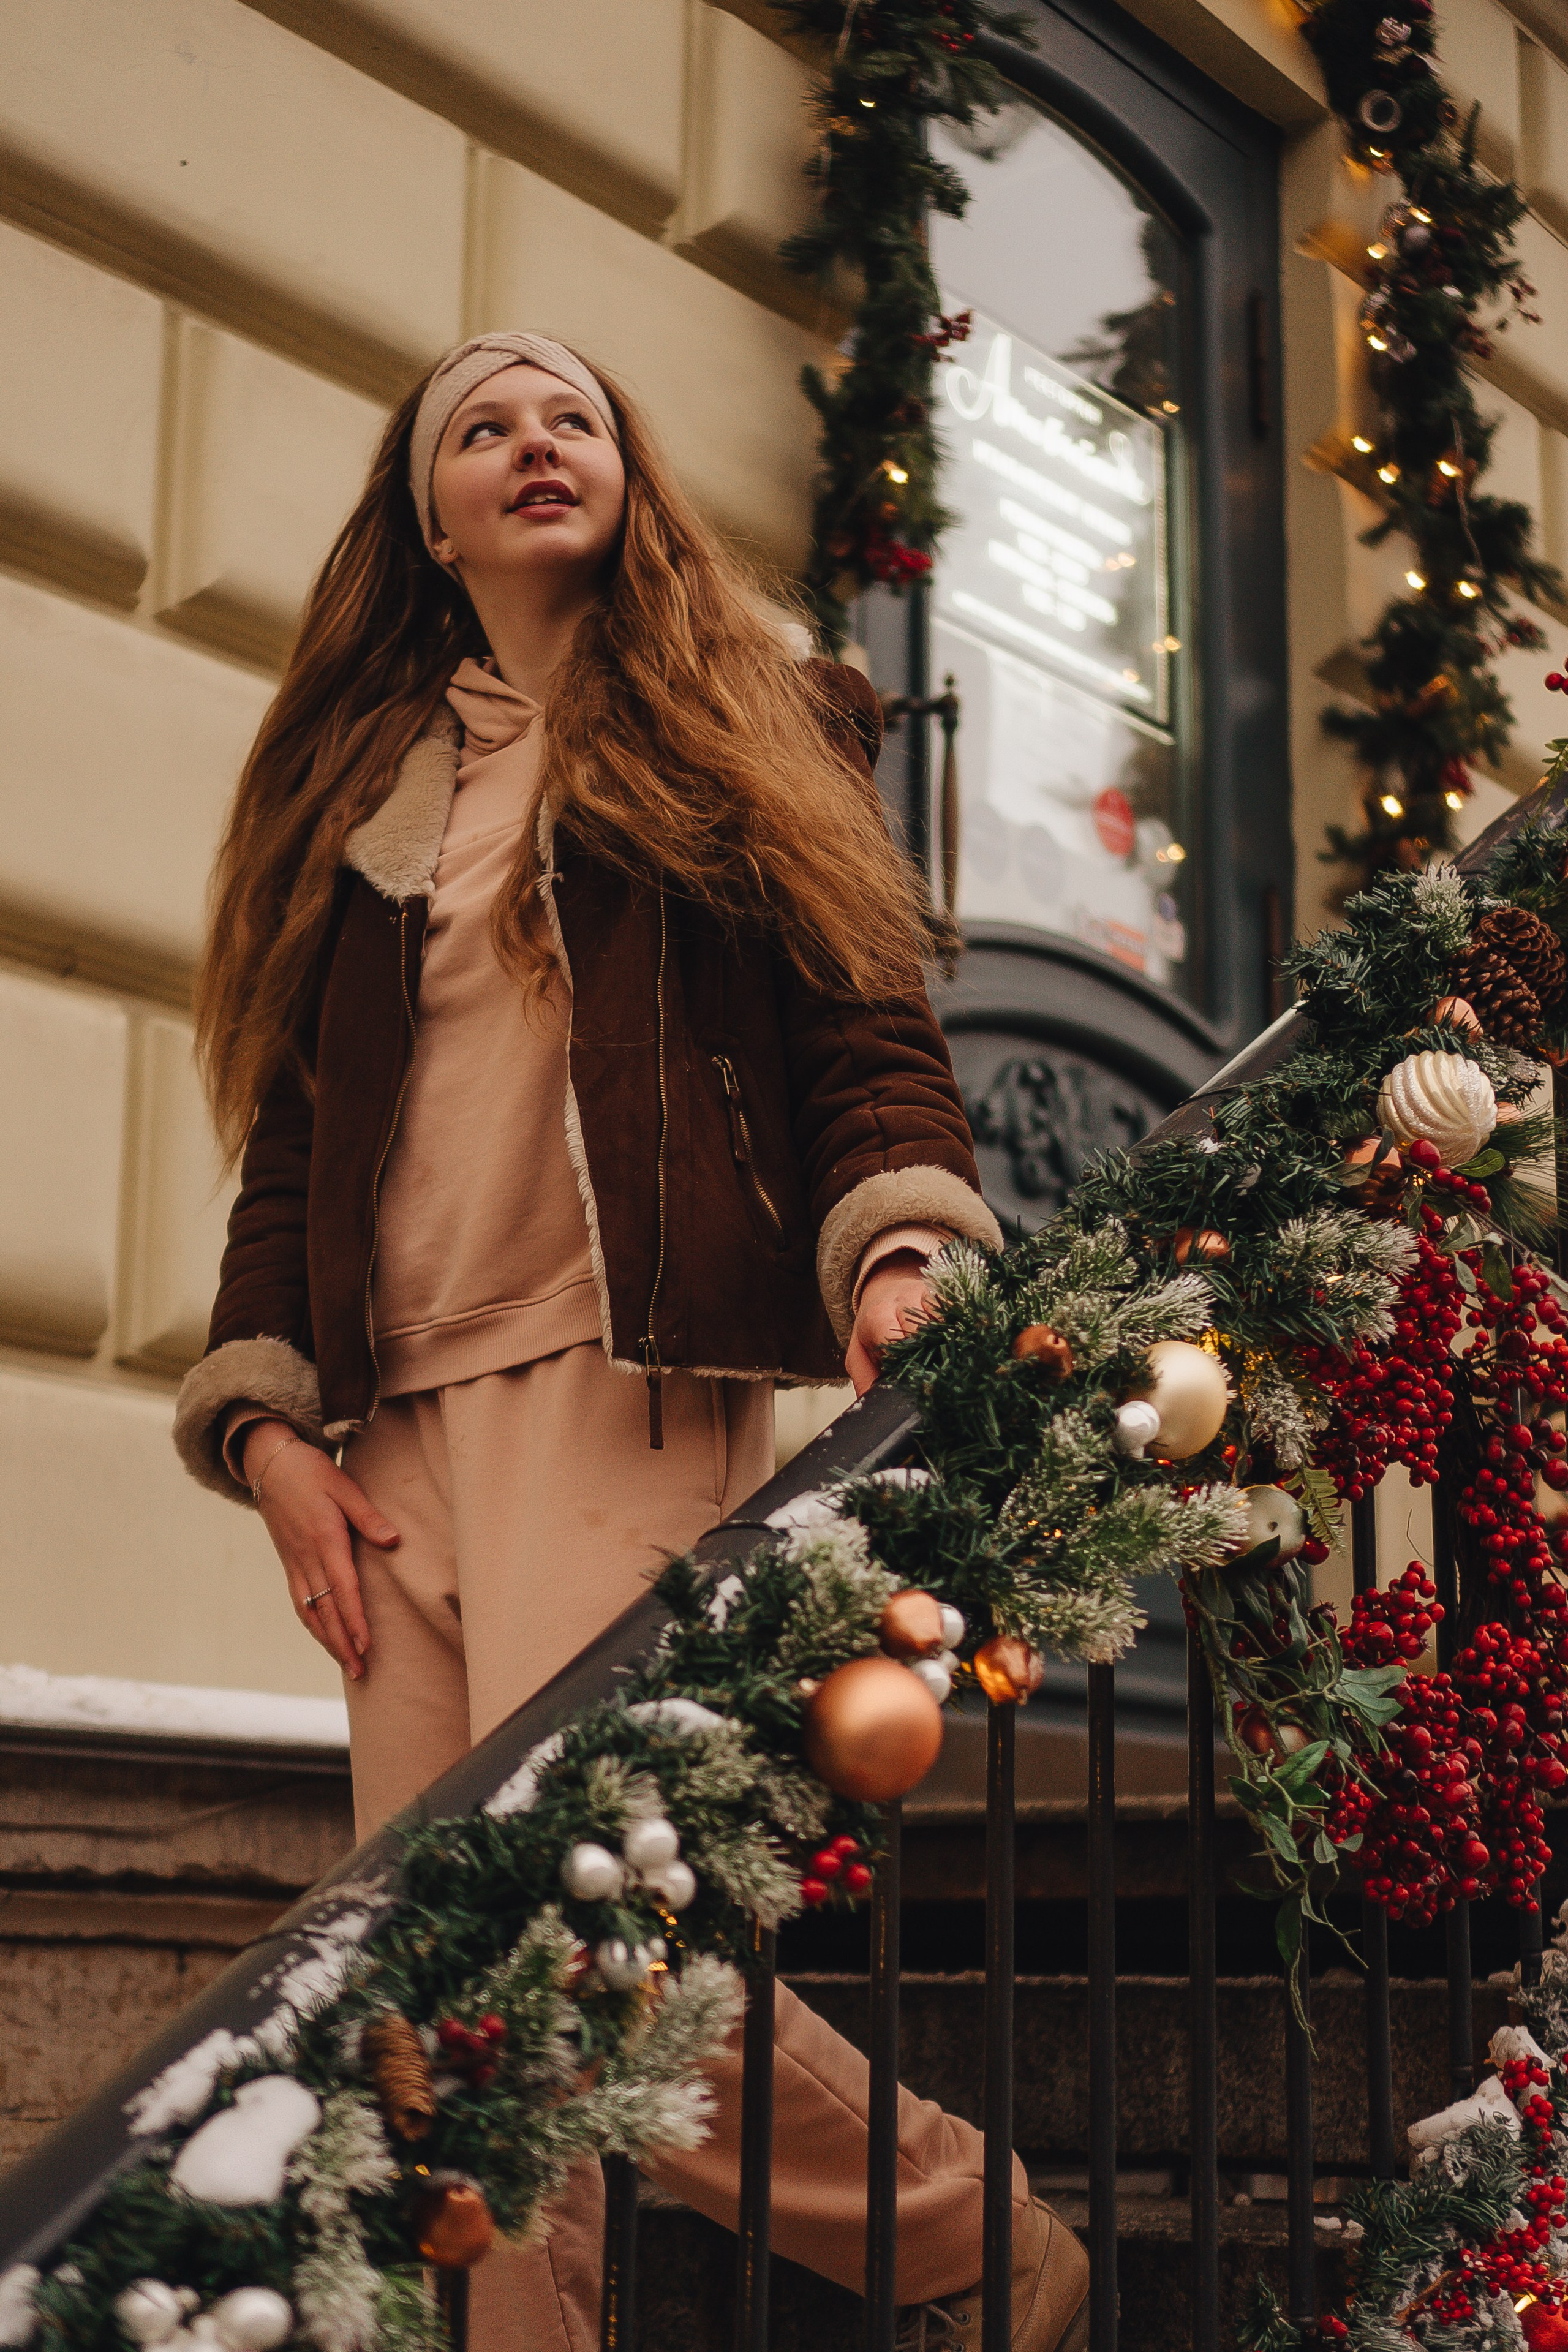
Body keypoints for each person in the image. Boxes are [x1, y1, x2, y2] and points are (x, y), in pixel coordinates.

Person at [173, 331, 1088, 2352]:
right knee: (447, 2006)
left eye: (571, 413)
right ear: (431, 513)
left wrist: (901, 1251)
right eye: (482, 429)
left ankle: (976, 2246)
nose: (532, 444)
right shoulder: (377, 788)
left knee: (573, 1966)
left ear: (628, 467)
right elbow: (297, 1155)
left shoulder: (730, 717)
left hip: (622, 1382)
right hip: (388, 1434)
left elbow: (865, 1027)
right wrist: (268, 1434)